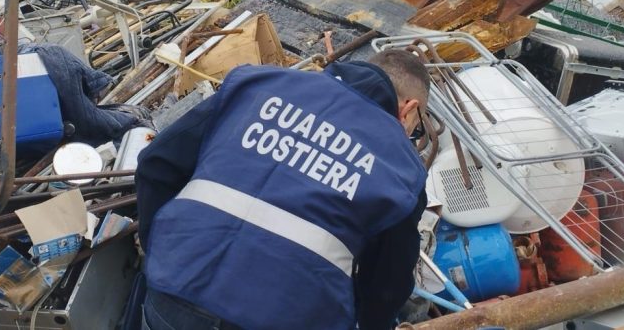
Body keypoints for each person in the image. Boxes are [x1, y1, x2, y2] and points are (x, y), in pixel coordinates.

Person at [135, 48, 430, 330]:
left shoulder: (254, 84)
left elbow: (155, 164)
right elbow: (387, 285)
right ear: (408, 110)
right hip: (281, 317)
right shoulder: (401, 166)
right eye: (416, 129)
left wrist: (161, 255)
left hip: (174, 291)